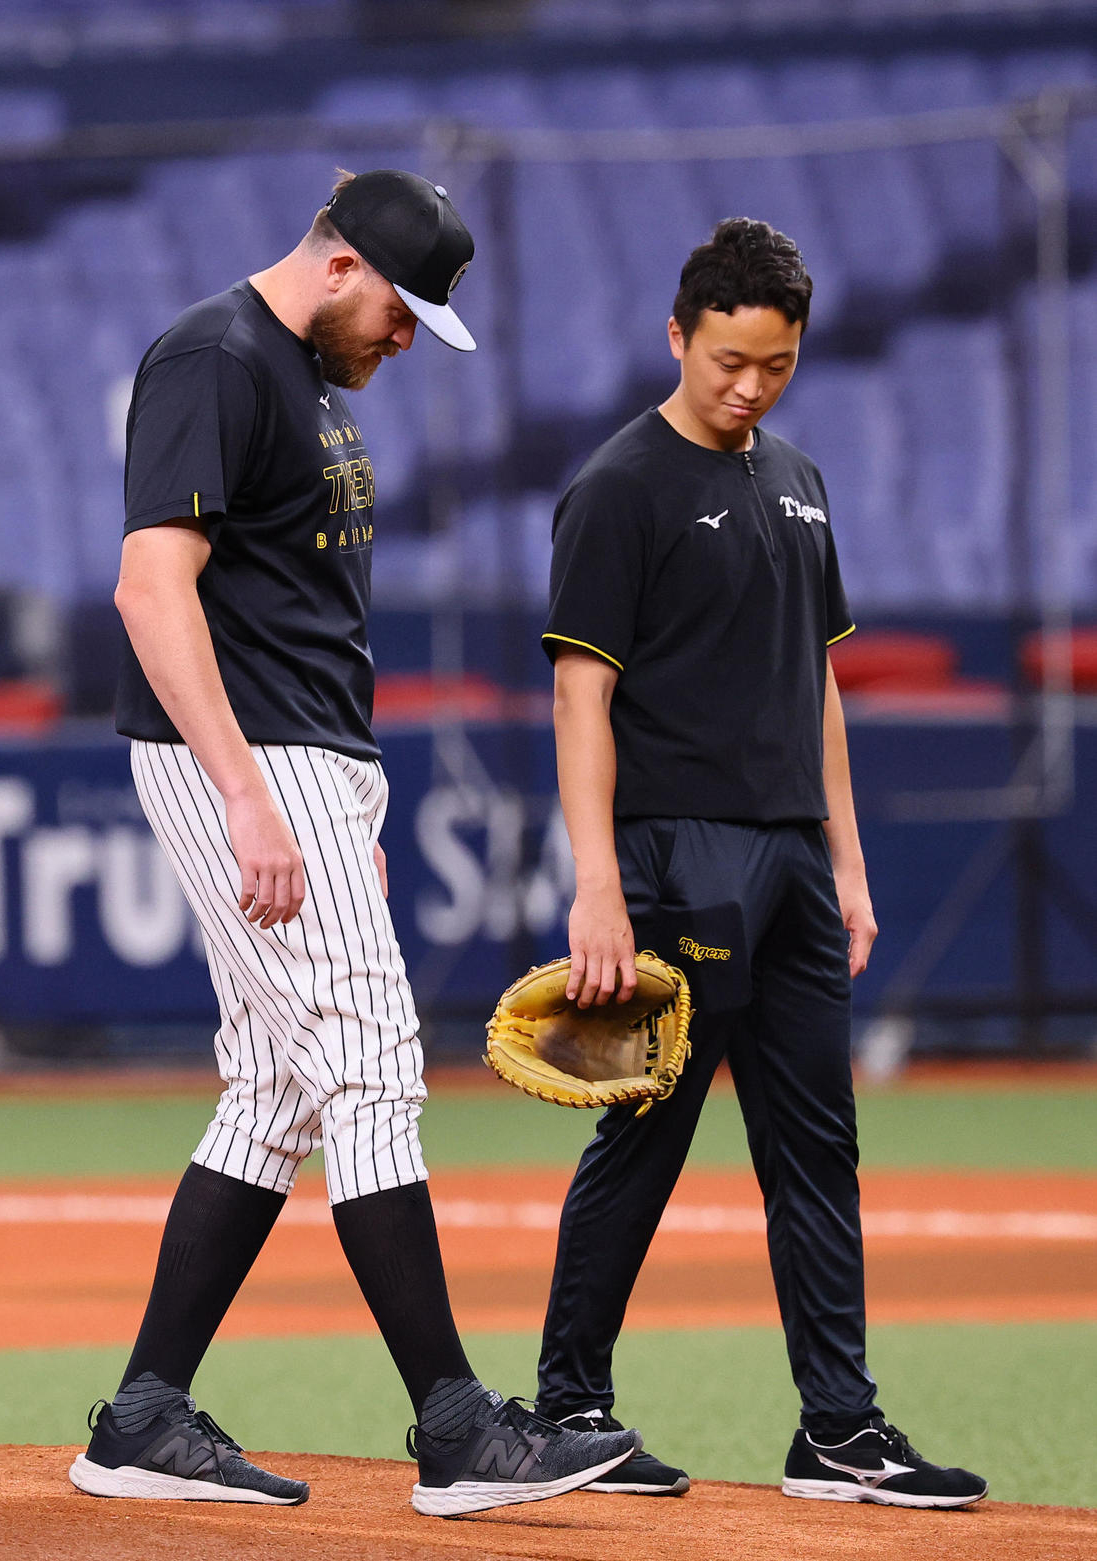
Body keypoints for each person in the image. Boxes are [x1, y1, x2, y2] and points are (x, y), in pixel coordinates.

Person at [66, 168, 638, 1518]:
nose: (402, 338)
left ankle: (144, 1413)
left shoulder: (303, 371)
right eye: (400, 309)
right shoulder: (215, 356)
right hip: (245, 758)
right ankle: (455, 1428)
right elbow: (152, 592)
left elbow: (291, 599)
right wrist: (252, 797)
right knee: (373, 1056)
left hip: (308, 760)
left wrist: (343, 796)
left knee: (279, 1085)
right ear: (339, 265)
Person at [532, 218, 987, 1509]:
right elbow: (581, 697)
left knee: (817, 1149)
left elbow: (819, 678)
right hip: (678, 856)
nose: (750, 386)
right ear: (678, 334)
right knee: (645, 1133)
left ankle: (839, 1428)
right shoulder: (619, 485)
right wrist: (599, 882)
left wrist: (846, 859)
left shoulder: (798, 474)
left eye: (775, 363)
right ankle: (572, 1405)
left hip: (791, 857)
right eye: (730, 359)